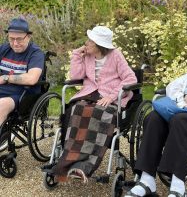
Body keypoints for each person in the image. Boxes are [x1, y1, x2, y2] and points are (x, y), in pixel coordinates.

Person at [125, 37, 187, 197]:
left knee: (181, 119)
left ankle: (178, 186)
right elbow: (172, 87)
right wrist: (185, 104)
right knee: (154, 118)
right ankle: (147, 180)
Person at [51, 25, 137, 183]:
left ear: (99, 45)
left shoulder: (115, 55)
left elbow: (131, 79)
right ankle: (68, 161)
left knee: (99, 113)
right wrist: (76, 55)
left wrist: (111, 97)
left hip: (111, 95)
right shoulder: (87, 55)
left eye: (90, 41)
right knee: (76, 109)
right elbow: (76, 76)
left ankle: (85, 166)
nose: (86, 43)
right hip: (90, 93)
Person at [0, 18, 44, 127]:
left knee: (1, 105)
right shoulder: (4, 49)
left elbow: (32, 78)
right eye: (11, 39)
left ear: (28, 37)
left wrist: (6, 78)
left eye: (19, 39)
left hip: (22, 95)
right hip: (3, 90)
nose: (15, 43)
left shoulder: (36, 53)